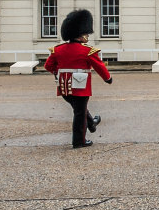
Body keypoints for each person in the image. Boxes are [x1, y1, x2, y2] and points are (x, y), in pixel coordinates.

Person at [43, 8, 112, 148]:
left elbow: (48, 66)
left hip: (64, 87)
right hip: (80, 87)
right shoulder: (87, 51)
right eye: (85, 33)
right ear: (80, 35)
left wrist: (60, 72)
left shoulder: (58, 50)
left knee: (79, 109)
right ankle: (79, 141)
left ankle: (91, 123)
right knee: (79, 113)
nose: (87, 35)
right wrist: (107, 78)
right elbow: (99, 66)